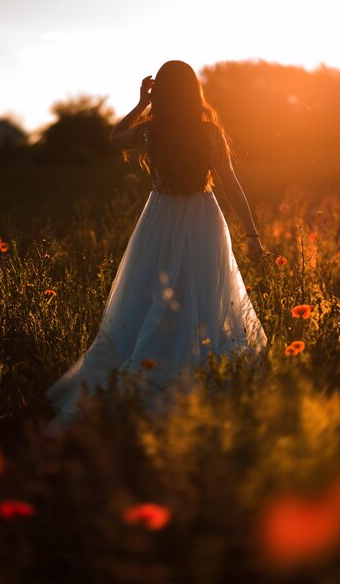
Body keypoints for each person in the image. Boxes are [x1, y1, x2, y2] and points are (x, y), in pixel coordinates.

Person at [43, 60, 268, 437]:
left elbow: (115, 137)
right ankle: (198, 369)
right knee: (204, 293)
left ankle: (146, 368)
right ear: (194, 91)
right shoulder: (209, 132)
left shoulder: (150, 131)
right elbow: (231, 185)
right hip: (202, 216)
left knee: (152, 293)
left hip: (160, 216)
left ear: (160, 92)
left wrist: (141, 104)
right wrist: (252, 235)